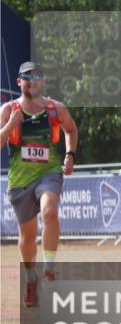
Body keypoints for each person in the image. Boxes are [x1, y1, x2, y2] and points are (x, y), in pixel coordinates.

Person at [0, 62, 78, 307]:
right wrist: (11, 124)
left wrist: (69, 155)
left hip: (49, 173)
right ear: (19, 81)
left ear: (42, 81)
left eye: (37, 77)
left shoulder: (55, 108)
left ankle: (49, 269)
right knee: (27, 236)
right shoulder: (8, 109)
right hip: (20, 181)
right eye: (27, 77)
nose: (32, 81)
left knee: (50, 211)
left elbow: (71, 129)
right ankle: (30, 279)